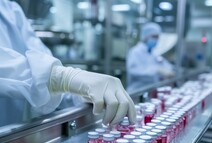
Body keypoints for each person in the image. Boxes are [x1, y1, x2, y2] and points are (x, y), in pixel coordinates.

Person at [0, 0, 135, 126]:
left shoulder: (11, 10)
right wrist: (63, 77)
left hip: (13, 139)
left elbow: (44, 78)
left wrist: (80, 96)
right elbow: (51, 76)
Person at [126, 22, 174, 91]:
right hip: (136, 92)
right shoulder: (135, 52)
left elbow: (164, 64)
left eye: (158, 37)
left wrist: (169, 70)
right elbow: (134, 71)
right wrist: (156, 70)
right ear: (145, 36)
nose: (156, 40)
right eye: (154, 37)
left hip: (150, 90)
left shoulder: (153, 53)